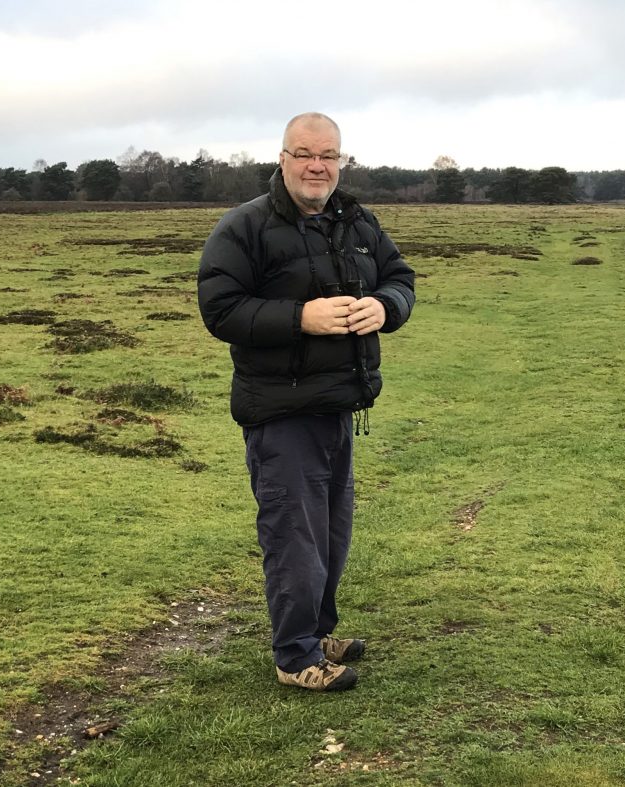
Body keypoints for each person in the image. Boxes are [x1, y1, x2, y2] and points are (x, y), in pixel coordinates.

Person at [198, 112, 415, 691]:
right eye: (304, 154)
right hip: (281, 409)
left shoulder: (357, 221)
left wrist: (386, 307)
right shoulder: (244, 226)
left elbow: (400, 275)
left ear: (341, 162)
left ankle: (318, 633)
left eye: (329, 156)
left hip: (338, 405)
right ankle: (295, 659)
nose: (317, 166)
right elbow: (220, 311)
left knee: (330, 532)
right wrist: (302, 318)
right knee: (293, 535)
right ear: (283, 159)